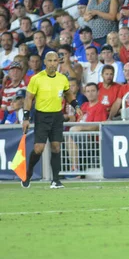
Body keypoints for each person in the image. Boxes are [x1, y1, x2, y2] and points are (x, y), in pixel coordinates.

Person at [21, 51, 83, 189]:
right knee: (39, 148)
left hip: (57, 116)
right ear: (45, 62)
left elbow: (68, 93)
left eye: (55, 61)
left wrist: (76, 106)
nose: (53, 63)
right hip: (41, 116)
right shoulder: (36, 78)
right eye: (50, 61)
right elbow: (28, 98)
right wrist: (26, 118)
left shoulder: (62, 78)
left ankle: (55, 180)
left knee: (56, 147)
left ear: (58, 62)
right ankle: (29, 172)